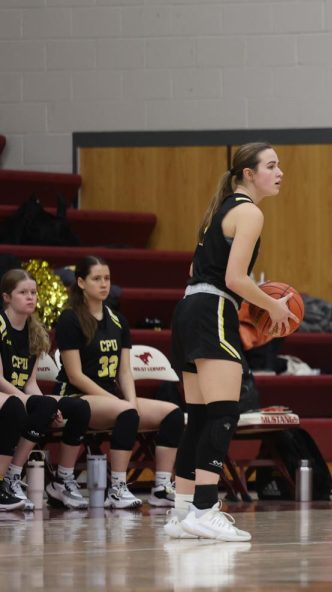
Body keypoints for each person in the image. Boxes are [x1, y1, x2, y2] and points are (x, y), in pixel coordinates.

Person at [166, 142, 295, 542]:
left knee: (200, 417)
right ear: (248, 174)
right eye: (271, 166)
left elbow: (194, 268)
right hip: (210, 312)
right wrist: (272, 307)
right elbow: (236, 280)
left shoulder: (220, 211)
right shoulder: (249, 212)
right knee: (224, 413)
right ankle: (206, 508)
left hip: (188, 310)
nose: (280, 172)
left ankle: (183, 512)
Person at [55, 256, 184, 508]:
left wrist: (131, 402)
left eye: (107, 279)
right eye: (96, 279)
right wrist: (119, 404)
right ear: (81, 282)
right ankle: (117, 488)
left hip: (110, 398)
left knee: (172, 413)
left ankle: (161, 487)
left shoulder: (118, 321)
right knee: (125, 412)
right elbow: (75, 375)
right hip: (75, 396)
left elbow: (125, 372)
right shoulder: (70, 319)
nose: (104, 284)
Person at [0, 268, 93, 510]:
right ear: (7, 297)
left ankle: (56, 479)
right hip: (4, 392)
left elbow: (30, 383)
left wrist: (47, 407)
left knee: (78, 406)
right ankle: (7, 479)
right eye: (23, 293)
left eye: (33, 292)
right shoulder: (0, 325)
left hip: (17, 393)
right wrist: (26, 401)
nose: (30, 297)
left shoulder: (35, 331)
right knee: (18, 408)